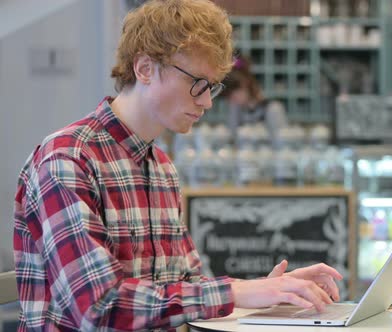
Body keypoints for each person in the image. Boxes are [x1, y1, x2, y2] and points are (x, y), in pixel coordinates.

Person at [12, 0, 342, 330]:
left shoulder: (162, 168)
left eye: (212, 87)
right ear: (144, 69)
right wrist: (239, 291)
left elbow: (188, 288)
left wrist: (269, 291)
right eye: (197, 82)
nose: (207, 101)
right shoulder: (67, 160)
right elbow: (98, 307)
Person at [221, 56, 289, 146]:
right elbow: (232, 138)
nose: (231, 101)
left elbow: (282, 143)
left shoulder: (272, 108)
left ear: (245, 84)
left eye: (232, 95)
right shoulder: (237, 108)